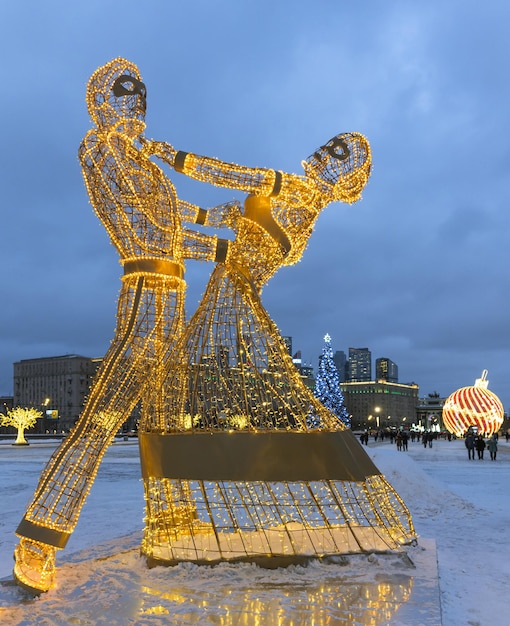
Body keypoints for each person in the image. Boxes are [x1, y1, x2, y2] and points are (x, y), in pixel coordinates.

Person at [13, 58, 236, 594]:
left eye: (140, 97)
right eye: (122, 95)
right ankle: (37, 539)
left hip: (174, 301)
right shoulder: (100, 149)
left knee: (167, 423)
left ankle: (173, 519)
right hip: (143, 295)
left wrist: (224, 217)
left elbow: (173, 208)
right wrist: (225, 248)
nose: (135, 106)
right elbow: (149, 226)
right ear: (99, 103)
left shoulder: (143, 163)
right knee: (101, 419)